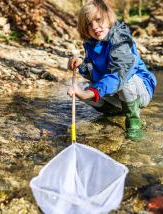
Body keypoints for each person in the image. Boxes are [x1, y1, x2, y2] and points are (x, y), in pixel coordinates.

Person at [67, 0, 157, 141]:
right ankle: (115, 112)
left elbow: (119, 74)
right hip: (115, 88)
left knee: (124, 81)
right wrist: (80, 65)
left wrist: (89, 93)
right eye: (89, 24)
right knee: (84, 87)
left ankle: (134, 122)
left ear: (108, 18)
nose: (95, 27)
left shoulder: (120, 39)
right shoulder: (91, 43)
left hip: (140, 90)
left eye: (98, 20)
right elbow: (93, 71)